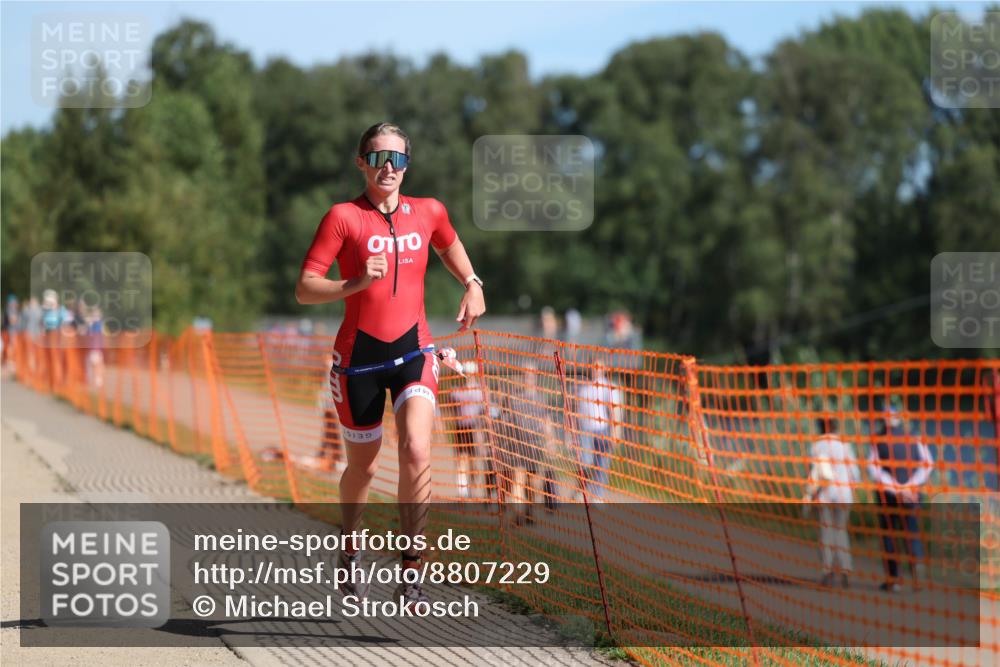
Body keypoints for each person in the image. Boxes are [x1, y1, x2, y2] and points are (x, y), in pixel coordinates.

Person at [296, 122, 485, 607]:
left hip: (413, 351)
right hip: (358, 361)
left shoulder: (429, 211)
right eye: (378, 158)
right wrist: (354, 283)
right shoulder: (343, 218)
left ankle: (411, 568)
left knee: (418, 450)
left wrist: (472, 282)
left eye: (397, 159)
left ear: (407, 165)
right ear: (361, 162)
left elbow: (449, 244)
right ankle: (350, 545)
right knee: (362, 467)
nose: (388, 168)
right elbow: (304, 287)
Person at [867, 407, 934, 592]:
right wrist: (910, 486)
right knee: (911, 533)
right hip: (911, 496)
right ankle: (917, 573)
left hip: (888, 497)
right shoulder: (913, 438)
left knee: (889, 535)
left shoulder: (876, 440)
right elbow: (928, 464)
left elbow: (874, 470)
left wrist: (895, 488)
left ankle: (894, 579)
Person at [494, 363, 556, 523]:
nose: (528, 377)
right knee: (518, 479)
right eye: (526, 373)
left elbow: (547, 421)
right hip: (517, 445)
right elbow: (504, 420)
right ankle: (519, 515)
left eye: (531, 374)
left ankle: (529, 510)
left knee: (533, 482)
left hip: (535, 446)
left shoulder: (541, 398)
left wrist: (550, 441)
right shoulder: (514, 398)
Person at [803, 416, 860, 588]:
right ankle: (846, 569)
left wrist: (808, 494)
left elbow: (814, 474)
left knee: (826, 533)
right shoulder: (845, 445)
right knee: (841, 531)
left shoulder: (816, 446)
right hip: (844, 494)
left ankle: (827, 571)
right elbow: (855, 473)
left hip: (825, 494)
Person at [574, 361, 622, 501]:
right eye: (594, 366)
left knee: (601, 464)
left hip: (603, 430)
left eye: (599, 366)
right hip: (585, 431)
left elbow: (614, 410)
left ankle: (597, 495)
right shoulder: (583, 387)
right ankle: (582, 489)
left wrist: (615, 432)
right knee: (585, 462)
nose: (596, 369)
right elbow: (577, 410)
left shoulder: (608, 386)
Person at [449, 360, 492, 500]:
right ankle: (462, 492)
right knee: (461, 459)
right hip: (461, 428)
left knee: (473, 462)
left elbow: (484, 411)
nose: (467, 376)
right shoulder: (456, 391)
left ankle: (472, 490)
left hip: (474, 429)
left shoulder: (479, 391)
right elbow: (452, 407)